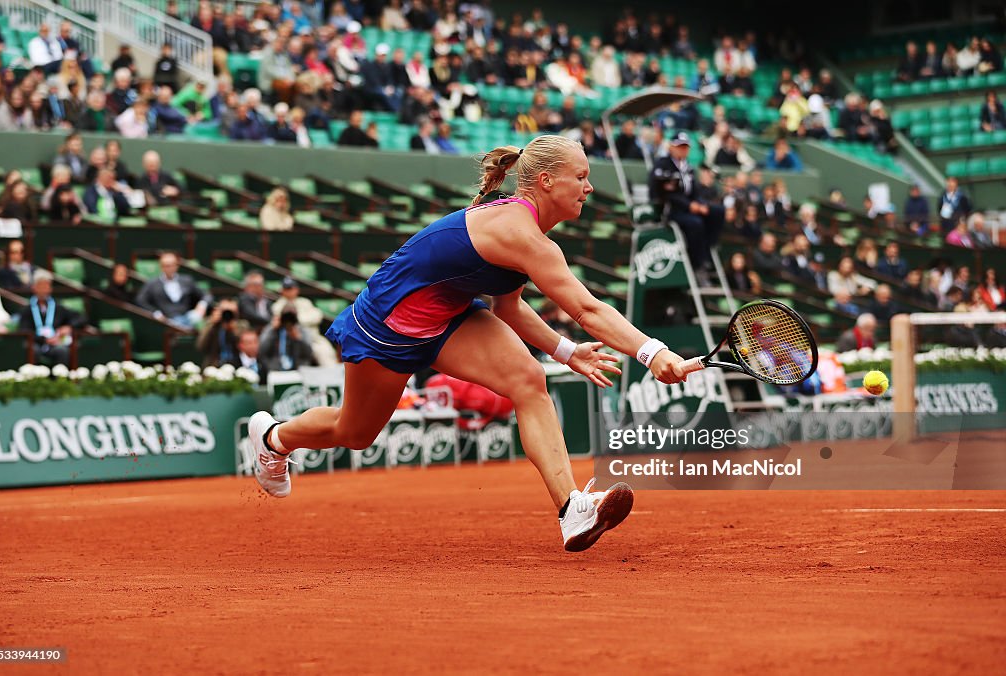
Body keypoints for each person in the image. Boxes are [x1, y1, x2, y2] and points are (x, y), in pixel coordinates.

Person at [247, 135, 687, 552]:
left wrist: (566, 352)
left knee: (528, 379)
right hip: (389, 321)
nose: (589, 187)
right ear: (547, 181)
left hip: (449, 317)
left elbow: (508, 309)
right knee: (355, 432)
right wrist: (652, 352)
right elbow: (587, 311)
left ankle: (572, 508)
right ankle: (273, 437)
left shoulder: (532, 236)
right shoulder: (521, 234)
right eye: (581, 176)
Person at [648, 132, 724, 281]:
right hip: (671, 210)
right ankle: (698, 264)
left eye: (685, 147)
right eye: (680, 146)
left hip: (688, 209)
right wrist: (691, 206)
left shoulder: (688, 167)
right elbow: (666, 194)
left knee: (717, 212)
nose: (683, 150)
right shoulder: (663, 165)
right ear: (671, 147)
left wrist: (701, 205)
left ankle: (707, 250)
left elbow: (694, 192)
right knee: (696, 223)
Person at [17, 269, 86, 366]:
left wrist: (69, 327)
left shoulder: (58, 307)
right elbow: (24, 330)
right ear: (34, 288)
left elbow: (81, 318)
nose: (45, 290)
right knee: (32, 350)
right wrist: (44, 340)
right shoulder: (27, 310)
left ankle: (61, 379)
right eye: (42, 286)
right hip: (37, 342)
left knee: (62, 350)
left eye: (47, 286)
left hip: (55, 343)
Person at [135, 252, 210, 328]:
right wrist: (156, 313)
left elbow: (206, 295)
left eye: (172, 265)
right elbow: (140, 300)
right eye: (166, 266)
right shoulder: (152, 283)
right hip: (167, 321)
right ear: (161, 267)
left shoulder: (187, 280)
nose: (169, 268)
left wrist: (202, 305)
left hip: (189, 318)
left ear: (177, 266)